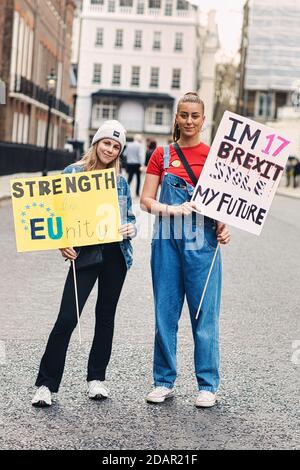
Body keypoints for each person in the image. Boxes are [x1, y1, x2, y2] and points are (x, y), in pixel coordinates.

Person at [32, 120, 136, 407]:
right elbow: (54, 213)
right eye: (107, 143)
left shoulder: (120, 182)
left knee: (105, 317)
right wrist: (61, 241)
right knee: (67, 317)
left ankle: (96, 379)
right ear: (96, 143)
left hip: (116, 255)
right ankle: (45, 384)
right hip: (86, 254)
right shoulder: (72, 173)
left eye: (116, 147)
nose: (110, 149)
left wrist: (130, 228)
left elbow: (130, 220)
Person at [140, 92, 230, 408]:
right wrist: (170, 209)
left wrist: (223, 225)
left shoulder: (215, 158)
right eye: (184, 115)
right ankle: (163, 381)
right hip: (166, 240)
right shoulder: (161, 156)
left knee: (204, 314)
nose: (189, 121)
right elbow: (145, 200)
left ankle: (207, 384)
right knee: (165, 313)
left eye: (195, 115)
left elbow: (224, 205)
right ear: (176, 118)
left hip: (202, 243)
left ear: (204, 120)